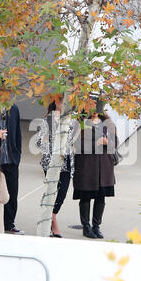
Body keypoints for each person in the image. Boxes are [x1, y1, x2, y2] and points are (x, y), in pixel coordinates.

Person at [73, 104, 117, 239]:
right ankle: (86, 227)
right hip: (86, 166)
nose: (95, 113)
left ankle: (96, 226)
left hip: (104, 166)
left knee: (100, 197)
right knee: (86, 196)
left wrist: (106, 142)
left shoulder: (108, 123)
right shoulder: (80, 123)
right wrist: (95, 144)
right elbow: (76, 144)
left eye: (97, 109)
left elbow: (116, 142)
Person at [36, 99, 75, 237]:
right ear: (55, 102)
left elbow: (72, 137)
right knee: (52, 191)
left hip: (67, 160)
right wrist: (51, 147)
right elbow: (39, 142)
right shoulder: (48, 120)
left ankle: (51, 216)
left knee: (62, 193)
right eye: (61, 101)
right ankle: (52, 221)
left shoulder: (71, 118)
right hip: (52, 161)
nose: (64, 103)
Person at [0, 103, 23, 235]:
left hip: (11, 159)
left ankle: (9, 223)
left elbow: (17, 132)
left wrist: (17, 153)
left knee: (12, 192)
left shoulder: (13, 108)